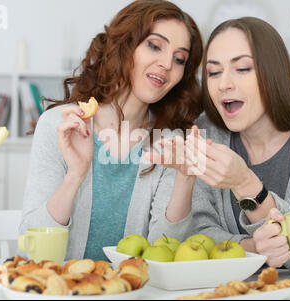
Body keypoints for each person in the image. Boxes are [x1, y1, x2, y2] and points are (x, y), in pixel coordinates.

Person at [19, 0, 203, 261]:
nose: (166, 64)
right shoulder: (60, 126)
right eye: (154, 45)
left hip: (131, 296)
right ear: (126, 46)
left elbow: (166, 253)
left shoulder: (169, 144)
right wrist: (75, 175)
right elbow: (29, 249)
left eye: (179, 58)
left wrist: (186, 180)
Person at [184, 17, 290, 272]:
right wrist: (254, 247)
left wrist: (245, 183)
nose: (224, 84)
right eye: (213, 72)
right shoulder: (208, 133)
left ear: (274, 72)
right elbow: (198, 235)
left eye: (242, 68)